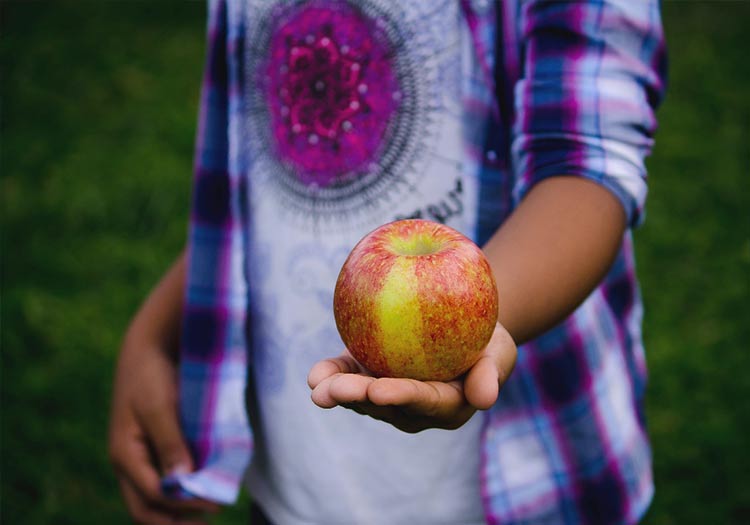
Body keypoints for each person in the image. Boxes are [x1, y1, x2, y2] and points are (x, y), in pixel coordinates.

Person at [108, 0, 667, 524]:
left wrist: (481, 331)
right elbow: (261, 173)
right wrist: (155, 329)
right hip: (297, 460)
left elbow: (587, 161)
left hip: (515, 473)